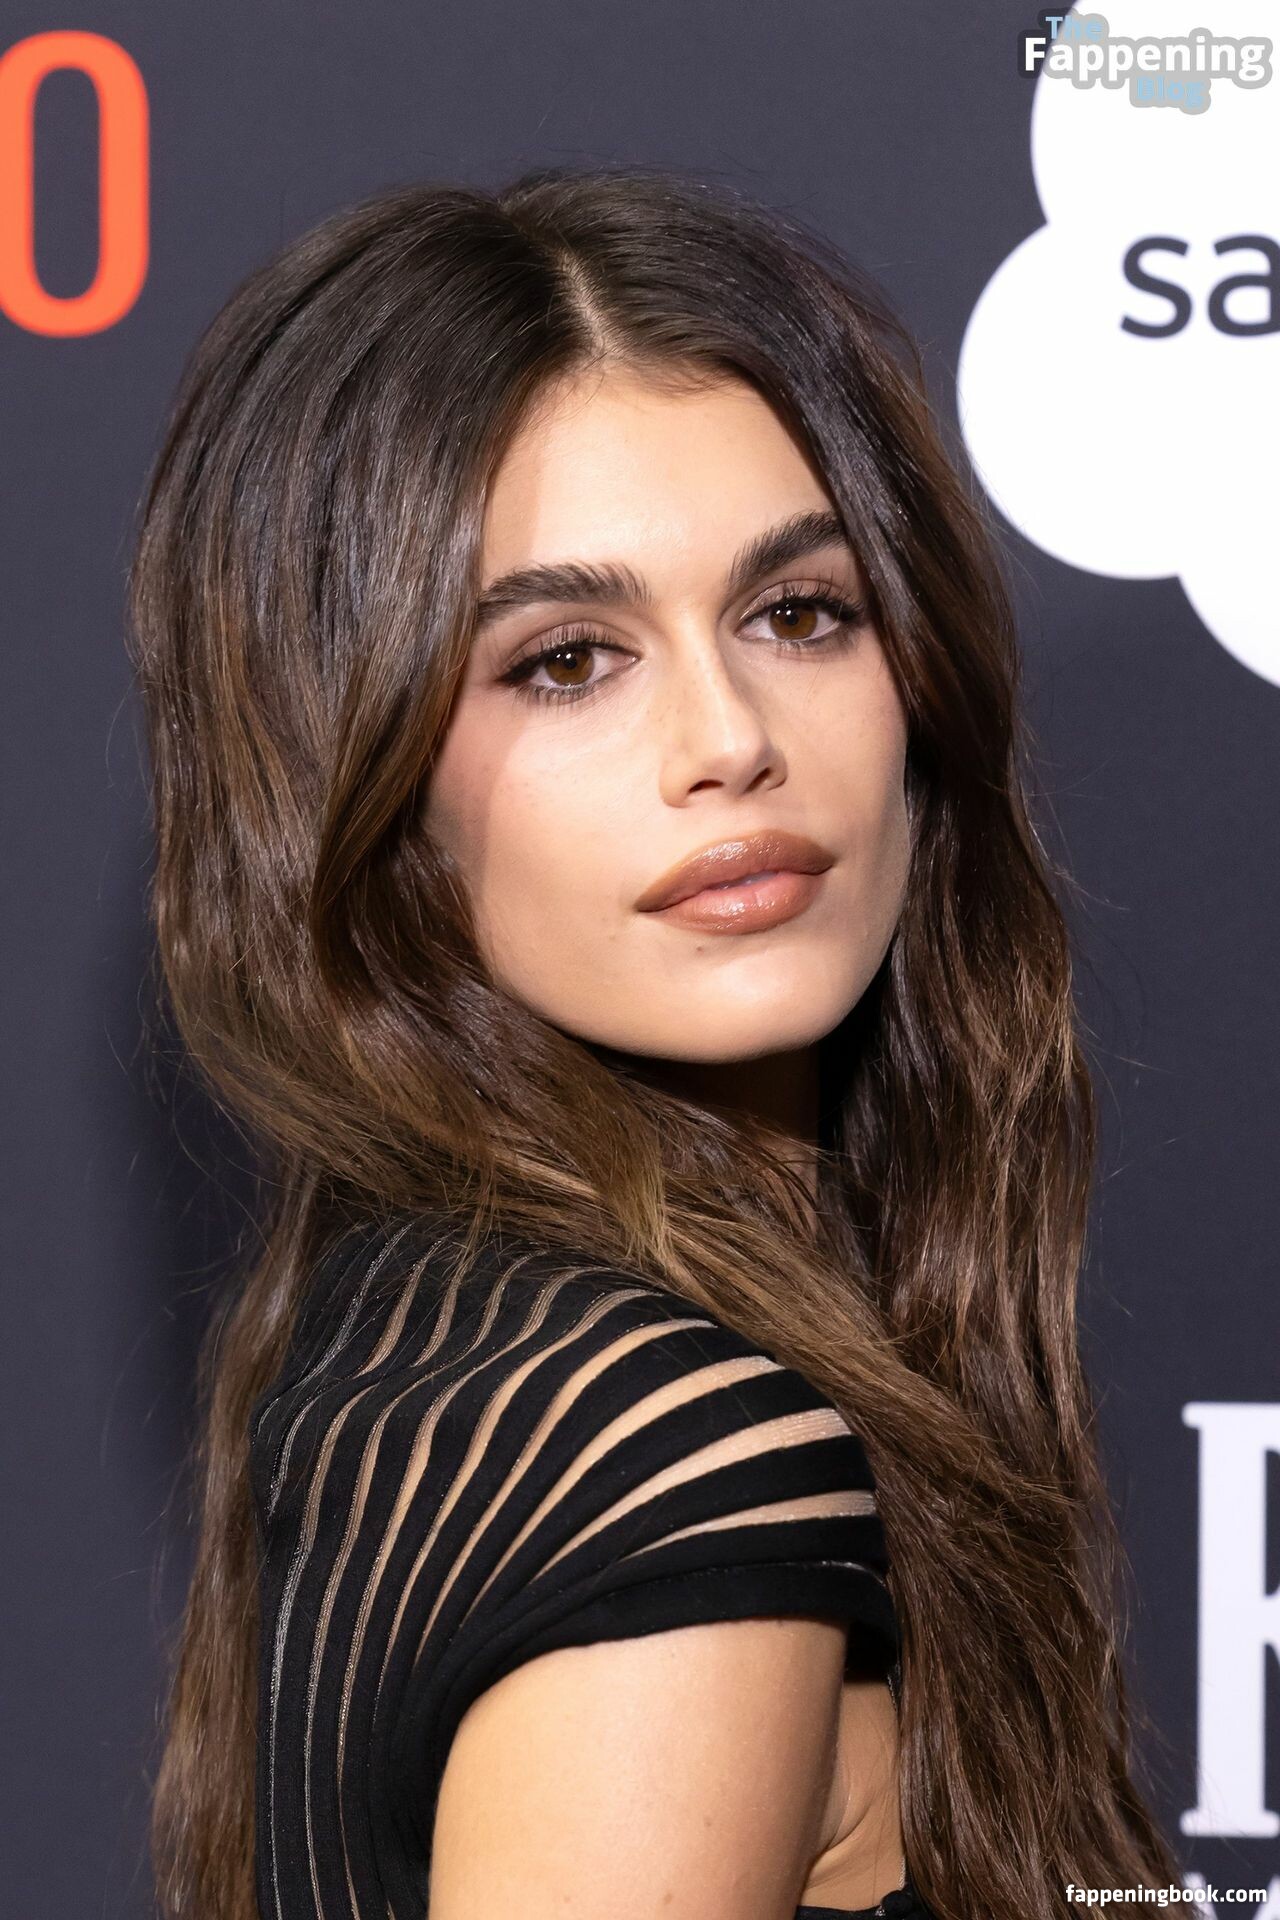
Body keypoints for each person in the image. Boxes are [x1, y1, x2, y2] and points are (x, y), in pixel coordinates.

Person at [128, 164, 1181, 1920]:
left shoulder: (432, 1348)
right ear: (353, 777)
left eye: (799, 613)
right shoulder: (669, 1461)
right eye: (563, 660)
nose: (728, 736)